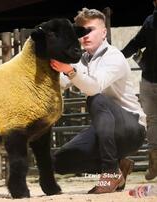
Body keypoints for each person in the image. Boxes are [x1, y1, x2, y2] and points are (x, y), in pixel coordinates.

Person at [50, 8, 147, 194]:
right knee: (59, 162)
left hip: (131, 128)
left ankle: (109, 174)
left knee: (97, 99)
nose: (85, 35)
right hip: (105, 130)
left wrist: (69, 70)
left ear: (104, 33)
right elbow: (62, 82)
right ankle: (118, 168)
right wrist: (53, 67)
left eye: (91, 29)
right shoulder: (81, 59)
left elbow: (94, 87)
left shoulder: (114, 57)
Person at [121, 0, 157, 181]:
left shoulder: (151, 21)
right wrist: (117, 57)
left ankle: (154, 162)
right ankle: (154, 162)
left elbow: (136, 43)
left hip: (149, 78)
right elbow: (136, 43)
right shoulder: (150, 21)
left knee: (152, 120)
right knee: (151, 121)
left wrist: (119, 55)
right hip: (149, 79)